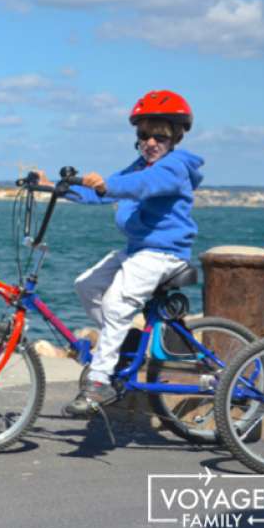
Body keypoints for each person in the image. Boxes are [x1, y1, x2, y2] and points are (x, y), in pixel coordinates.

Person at [54, 89, 204, 417]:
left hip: (164, 254)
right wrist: (57, 186)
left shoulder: (174, 166)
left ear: (176, 136)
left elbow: (139, 185)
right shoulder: (140, 165)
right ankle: (125, 344)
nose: (150, 142)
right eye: (144, 135)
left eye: (160, 135)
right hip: (138, 252)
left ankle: (98, 382)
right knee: (87, 285)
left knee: (116, 302)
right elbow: (109, 187)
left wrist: (106, 185)